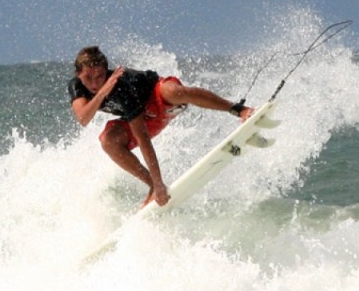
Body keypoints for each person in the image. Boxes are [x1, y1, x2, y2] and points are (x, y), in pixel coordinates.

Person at [68, 46, 254, 208]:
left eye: (100, 76)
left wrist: (160, 182)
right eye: (88, 77)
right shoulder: (78, 86)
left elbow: (143, 139)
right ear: (78, 74)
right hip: (145, 117)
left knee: (174, 91)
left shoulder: (120, 87)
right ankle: (151, 186)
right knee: (107, 141)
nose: (94, 82)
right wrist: (157, 185)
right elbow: (83, 118)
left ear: (106, 71)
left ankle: (238, 109)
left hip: (160, 100)